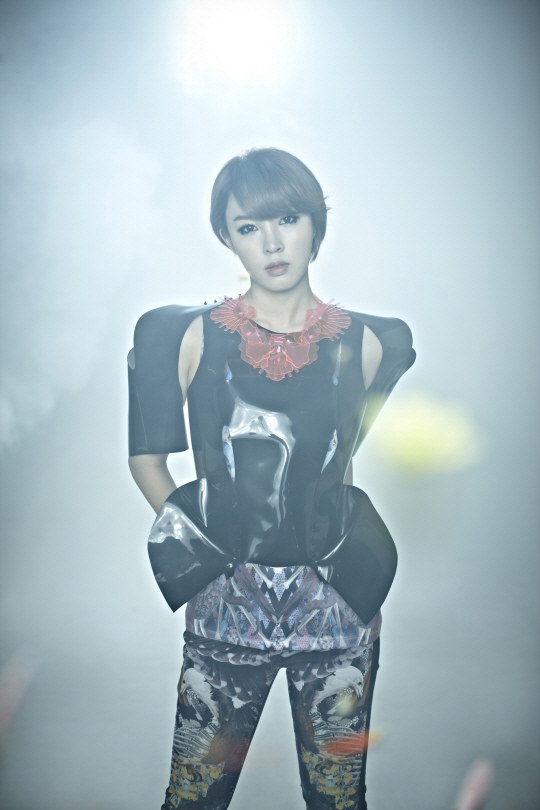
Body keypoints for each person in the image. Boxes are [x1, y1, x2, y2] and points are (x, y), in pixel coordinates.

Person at [127, 147, 416, 810]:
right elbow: (147, 462)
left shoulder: (373, 343)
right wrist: (210, 557)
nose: (273, 242)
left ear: (316, 223)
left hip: (338, 611)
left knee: (339, 802)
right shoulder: (181, 337)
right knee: (192, 799)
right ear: (226, 237)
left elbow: (339, 461)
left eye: (287, 218)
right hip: (226, 609)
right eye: (249, 226)